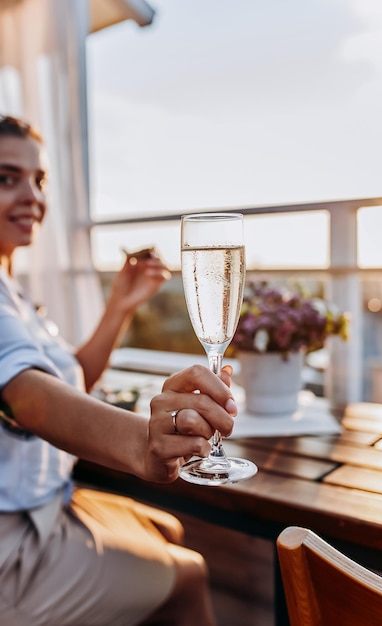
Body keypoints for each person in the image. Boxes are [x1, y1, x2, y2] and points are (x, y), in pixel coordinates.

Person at [0, 115, 238, 626]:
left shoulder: (12, 291)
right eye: (5, 178)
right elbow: (26, 398)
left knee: (168, 531)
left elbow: (68, 381)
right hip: (13, 545)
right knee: (190, 574)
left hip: (49, 501)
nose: (31, 197)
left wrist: (120, 308)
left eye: (38, 181)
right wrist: (140, 443)